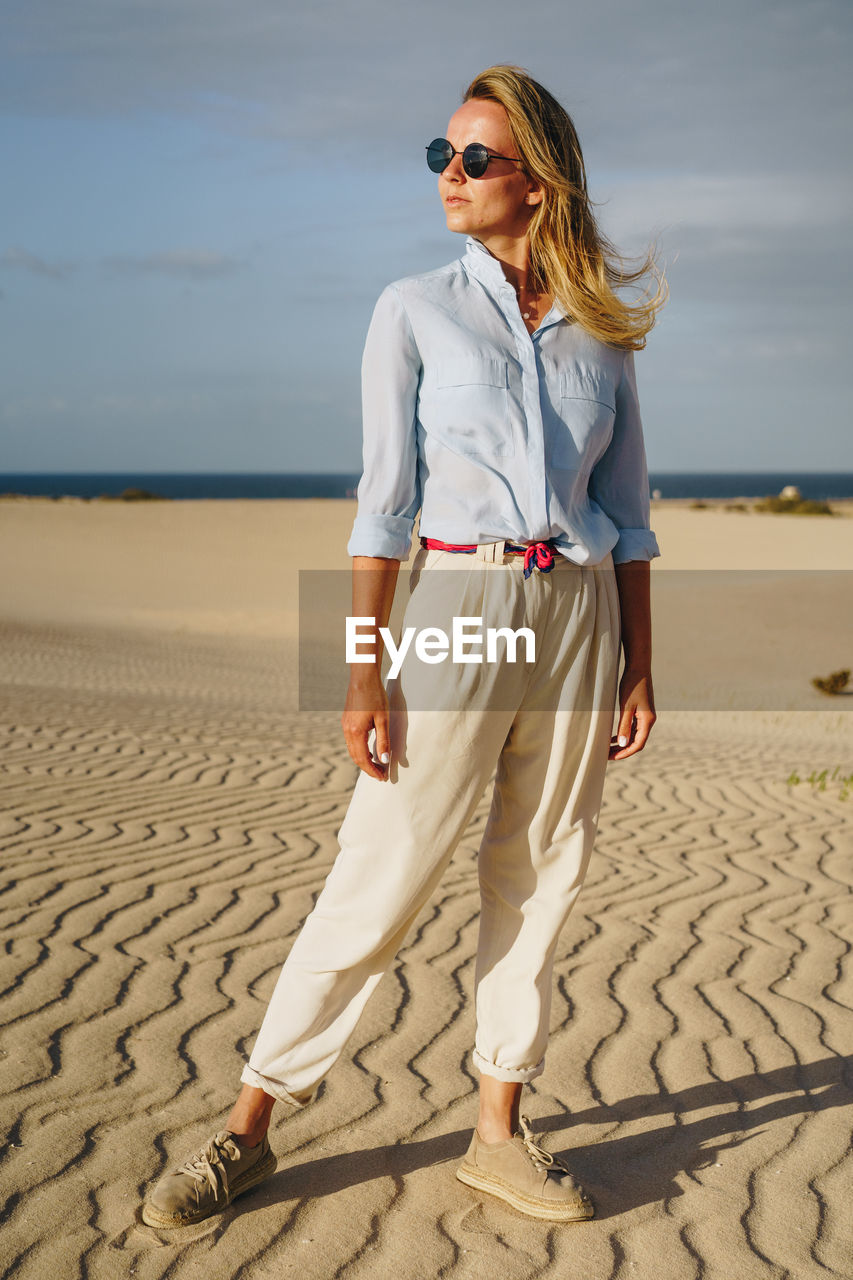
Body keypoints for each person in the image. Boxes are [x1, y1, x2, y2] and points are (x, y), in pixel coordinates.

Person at [141, 64, 666, 1230]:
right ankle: (248, 1126)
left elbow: (629, 515)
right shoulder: (412, 307)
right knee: (380, 869)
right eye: (443, 156)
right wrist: (361, 668)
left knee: (540, 875)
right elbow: (382, 508)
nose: (449, 178)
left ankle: (496, 1133)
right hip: (459, 606)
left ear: (539, 180)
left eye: (475, 159)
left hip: (578, 615)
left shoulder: (604, 331)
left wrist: (638, 661)